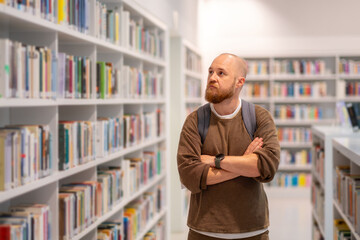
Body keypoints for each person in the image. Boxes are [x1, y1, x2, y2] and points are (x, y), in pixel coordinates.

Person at [177, 53, 280, 240]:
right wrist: (244, 163)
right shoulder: (195, 120)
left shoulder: (259, 117)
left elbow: (267, 167)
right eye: (210, 72)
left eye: (221, 73)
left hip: (252, 230)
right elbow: (189, 174)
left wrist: (216, 161)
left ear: (239, 82)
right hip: (203, 231)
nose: (212, 78)